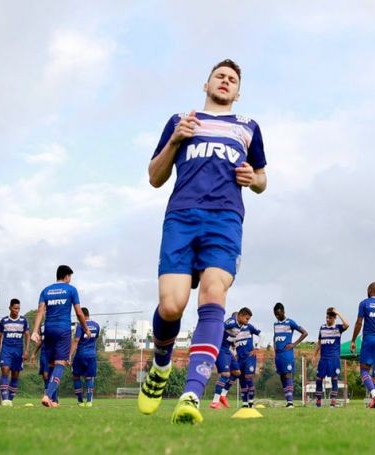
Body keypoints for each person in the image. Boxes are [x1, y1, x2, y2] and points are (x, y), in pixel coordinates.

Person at [137, 58, 268, 425]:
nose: (225, 81)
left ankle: (191, 393)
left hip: (225, 220)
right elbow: (154, 177)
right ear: (206, 84)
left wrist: (251, 179)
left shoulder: (248, 127)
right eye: (219, 76)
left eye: (232, 79)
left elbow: (261, 179)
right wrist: (176, 139)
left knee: (213, 295)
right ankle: (161, 366)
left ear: (238, 92)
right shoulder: (182, 120)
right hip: (181, 217)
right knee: (171, 306)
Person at [30, 265, 90, 408]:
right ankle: (47, 395)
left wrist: (35, 331)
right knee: (60, 363)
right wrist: (86, 328)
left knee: (51, 364)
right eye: (70, 277)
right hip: (63, 330)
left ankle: (53, 400)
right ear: (67, 276)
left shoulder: (46, 290)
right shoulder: (71, 290)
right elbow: (79, 313)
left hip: (48, 329)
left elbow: (40, 311)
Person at [210, 308, 251, 409]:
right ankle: (215, 402)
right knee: (225, 374)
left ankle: (223, 395)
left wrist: (233, 344)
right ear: (240, 316)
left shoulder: (240, 326)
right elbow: (219, 329)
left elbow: (230, 335)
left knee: (237, 372)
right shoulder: (231, 322)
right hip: (220, 349)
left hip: (227, 350)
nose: (247, 321)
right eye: (246, 319)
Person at [0, 298, 30, 406]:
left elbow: (27, 335)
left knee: (15, 374)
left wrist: (27, 350)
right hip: (6, 350)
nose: (17, 310)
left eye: (18, 308)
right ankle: (4, 399)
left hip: (18, 351)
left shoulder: (23, 320)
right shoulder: (4, 321)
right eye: (15, 308)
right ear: (10, 308)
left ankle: (10, 399)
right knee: (5, 370)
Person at [273, 302, 307, 408]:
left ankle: (290, 402)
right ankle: (287, 400)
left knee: (288, 374)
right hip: (278, 355)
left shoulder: (290, 322)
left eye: (279, 314)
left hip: (287, 353)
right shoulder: (275, 324)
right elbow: (275, 336)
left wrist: (294, 344)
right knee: (282, 376)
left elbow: (305, 333)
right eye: (276, 314)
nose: (278, 316)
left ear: (283, 312)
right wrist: (274, 346)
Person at [312, 307, 348, 408]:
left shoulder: (338, 328)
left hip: (334, 359)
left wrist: (338, 312)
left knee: (334, 379)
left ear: (334, 318)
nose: (328, 320)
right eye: (327, 318)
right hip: (323, 359)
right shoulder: (322, 328)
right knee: (319, 379)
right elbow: (319, 343)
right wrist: (314, 355)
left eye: (330, 318)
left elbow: (347, 324)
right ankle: (318, 403)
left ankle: (333, 403)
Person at [70, 307, 100, 408]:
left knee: (76, 376)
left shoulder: (80, 326)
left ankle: (80, 401)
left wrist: (69, 355)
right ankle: (89, 401)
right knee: (89, 377)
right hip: (92, 355)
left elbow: (76, 341)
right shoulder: (96, 325)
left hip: (80, 355)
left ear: (81, 315)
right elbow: (95, 338)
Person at [234, 309, 261, 408]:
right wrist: (234, 353)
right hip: (239, 359)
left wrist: (257, 348)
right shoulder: (234, 330)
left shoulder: (249, 327)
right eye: (247, 319)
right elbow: (232, 344)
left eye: (248, 319)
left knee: (248, 377)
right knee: (241, 380)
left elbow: (261, 336)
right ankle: (244, 403)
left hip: (249, 358)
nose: (247, 321)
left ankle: (251, 401)